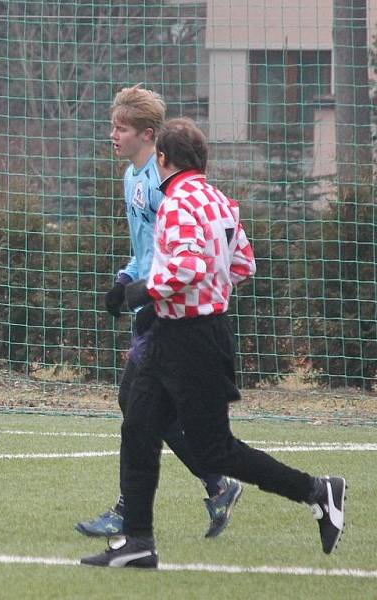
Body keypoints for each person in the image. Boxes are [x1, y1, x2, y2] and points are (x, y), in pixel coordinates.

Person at [81, 118, 346, 568]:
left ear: (163, 159)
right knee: (139, 427)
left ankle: (318, 491)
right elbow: (243, 264)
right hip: (183, 333)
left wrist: (134, 293)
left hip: (191, 340)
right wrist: (198, 294)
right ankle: (138, 542)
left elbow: (185, 268)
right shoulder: (221, 201)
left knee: (214, 449)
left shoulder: (177, 201)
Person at [76, 86, 243, 541]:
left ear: (147, 135)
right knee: (142, 405)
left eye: (120, 128)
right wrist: (122, 278)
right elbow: (145, 249)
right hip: (148, 299)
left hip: (166, 307)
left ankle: (136, 512)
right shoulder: (133, 179)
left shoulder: (166, 182)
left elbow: (181, 255)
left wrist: (141, 291)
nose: (112, 135)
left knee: (138, 404)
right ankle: (216, 483)